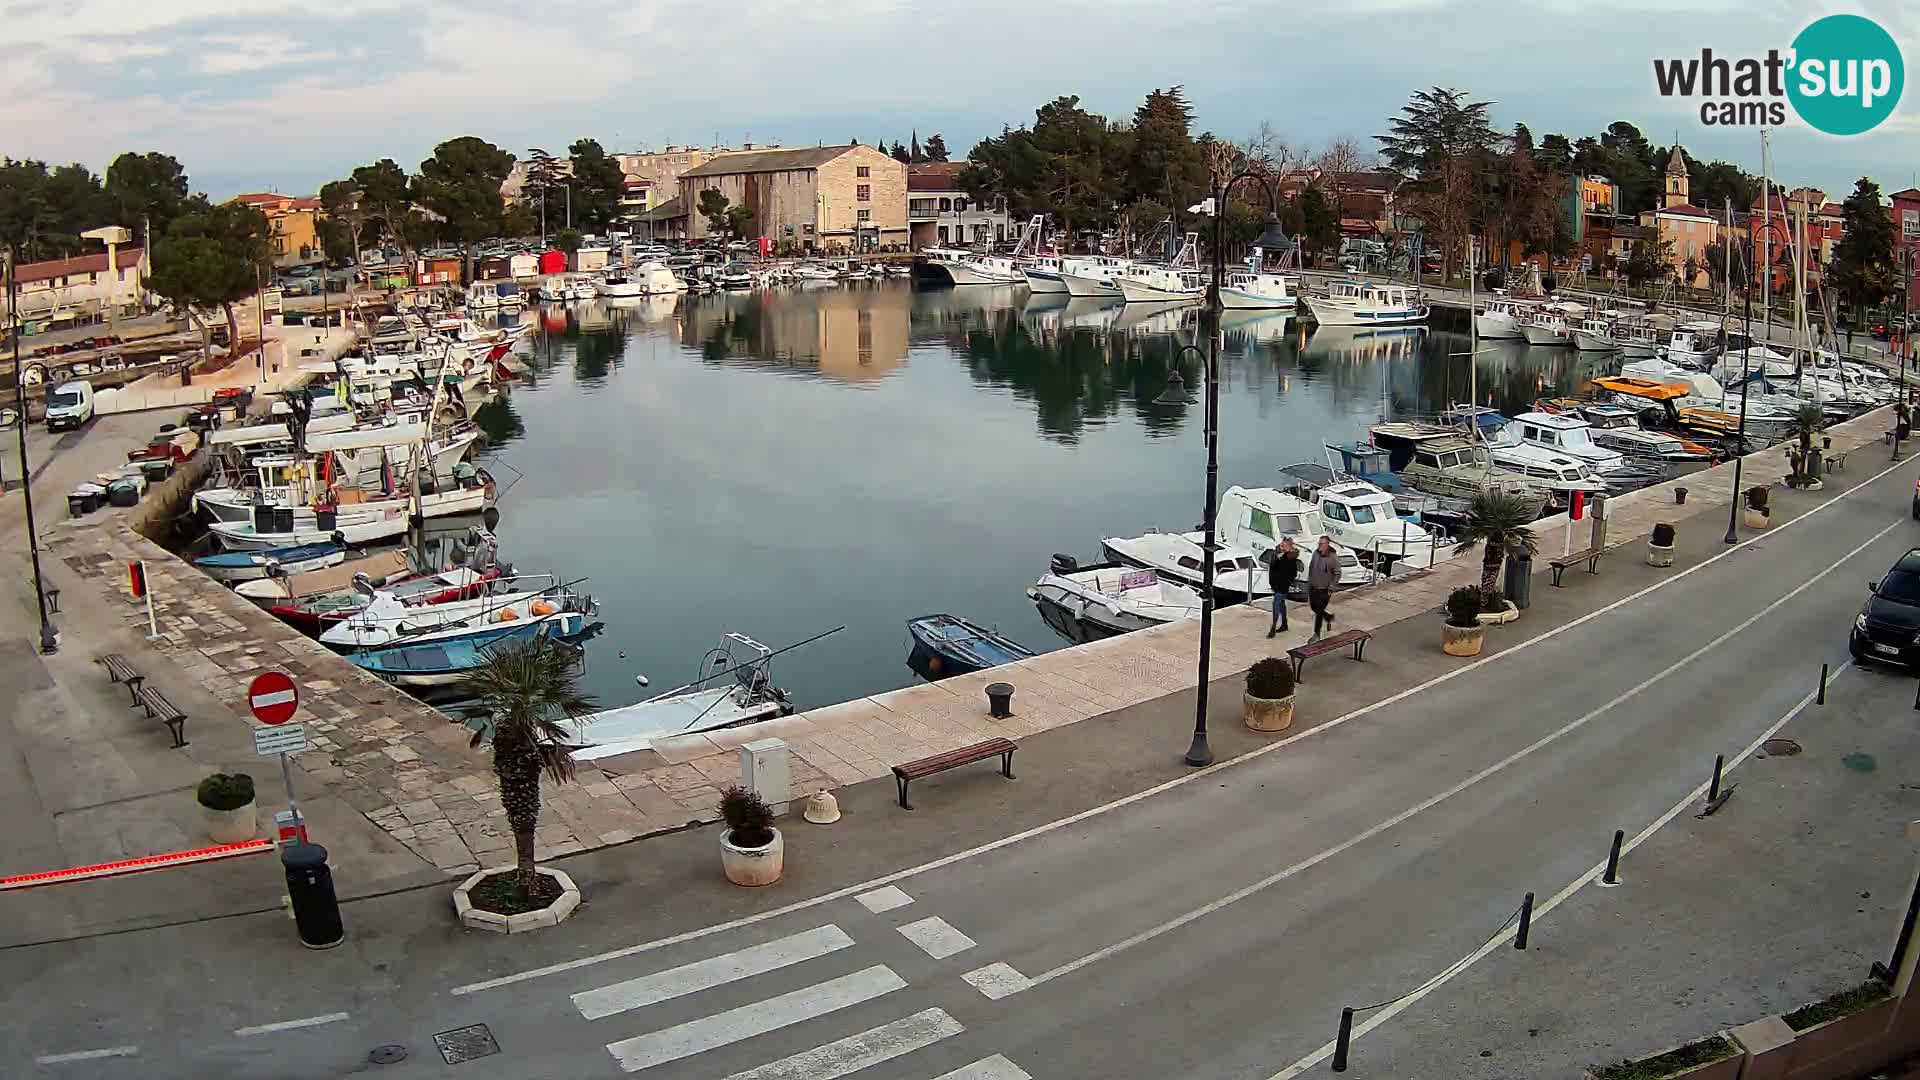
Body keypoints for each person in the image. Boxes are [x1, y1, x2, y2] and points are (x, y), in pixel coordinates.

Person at [1307, 536, 1339, 641]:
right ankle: (1328, 617)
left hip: (1325, 590)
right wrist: (1310, 581)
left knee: (1319, 611)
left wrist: (1331, 587)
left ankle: (1316, 634)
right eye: (1318, 543)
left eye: (1321, 544)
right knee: (1313, 607)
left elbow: (1337, 573)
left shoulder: (1332, 558)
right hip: (1313, 587)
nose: (1319, 546)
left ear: (1327, 545)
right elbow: (1311, 567)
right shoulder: (1315, 553)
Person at [1267, 538, 1300, 638]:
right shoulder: (1278, 554)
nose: (1282, 546)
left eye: (1284, 545)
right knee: (1281, 604)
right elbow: (1273, 565)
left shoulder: (1291, 558)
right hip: (1275, 583)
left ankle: (1273, 627)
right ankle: (1284, 624)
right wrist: (1279, 553)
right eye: (1282, 545)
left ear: (1289, 547)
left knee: (1276, 603)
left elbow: (1293, 573)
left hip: (1283, 585)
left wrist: (1286, 580)